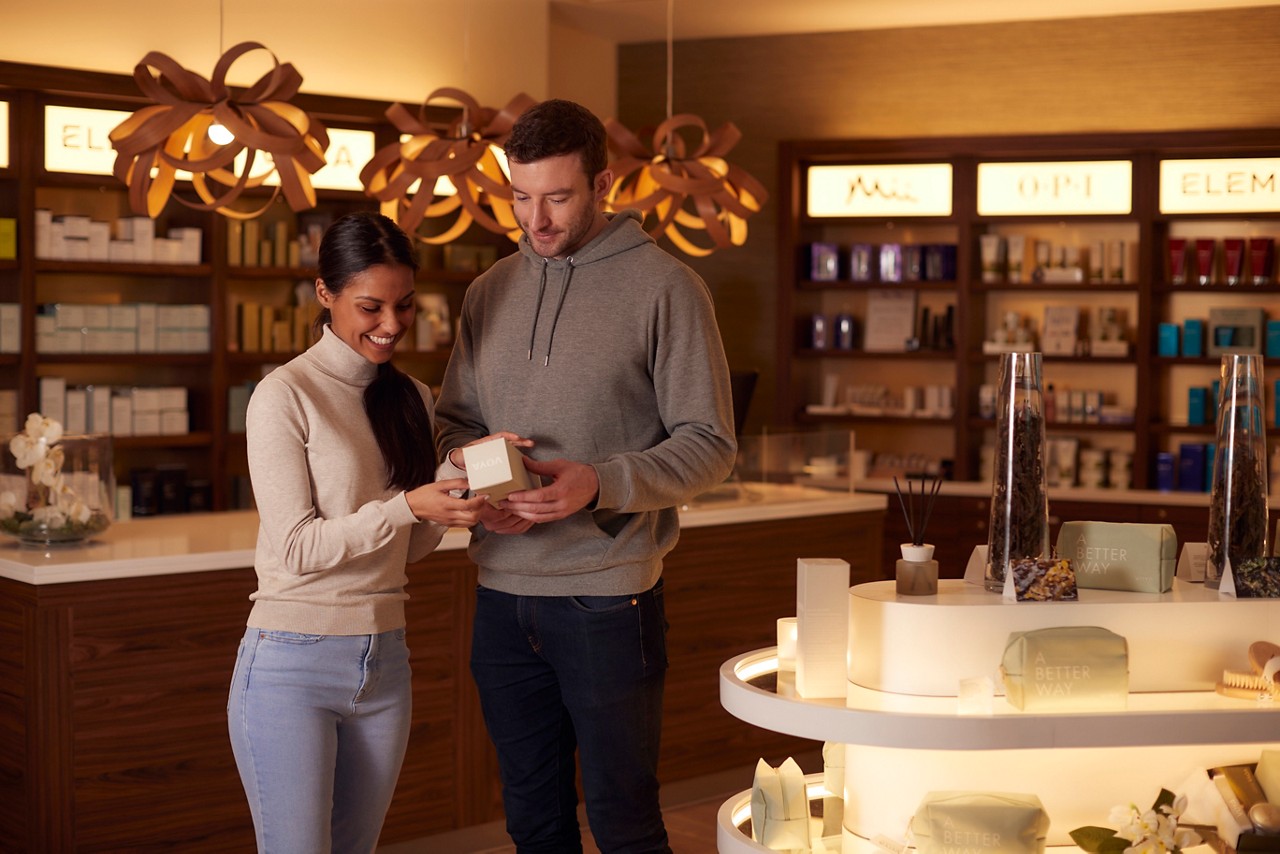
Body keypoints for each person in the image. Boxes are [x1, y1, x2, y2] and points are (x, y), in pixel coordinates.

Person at [434, 99, 738, 854]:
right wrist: (481, 482)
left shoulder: (667, 288)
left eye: (558, 197)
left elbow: (711, 444)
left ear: (603, 182)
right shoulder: (488, 290)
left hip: (608, 597)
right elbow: (452, 424)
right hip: (501, 597)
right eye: (521, 197)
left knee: (623, 822)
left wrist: (598, 482)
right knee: (532, 824)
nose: (535, 219)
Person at [228, 211, 492, 853]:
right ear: (325, 293)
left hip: (384, 661)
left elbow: (406, 550)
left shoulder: (411, 398)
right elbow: (297, 548)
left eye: (403, 305)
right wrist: (409, 506)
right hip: (292, 662)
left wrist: (455, 487)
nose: (391, 325)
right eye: (370, 306)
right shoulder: (283, 394)